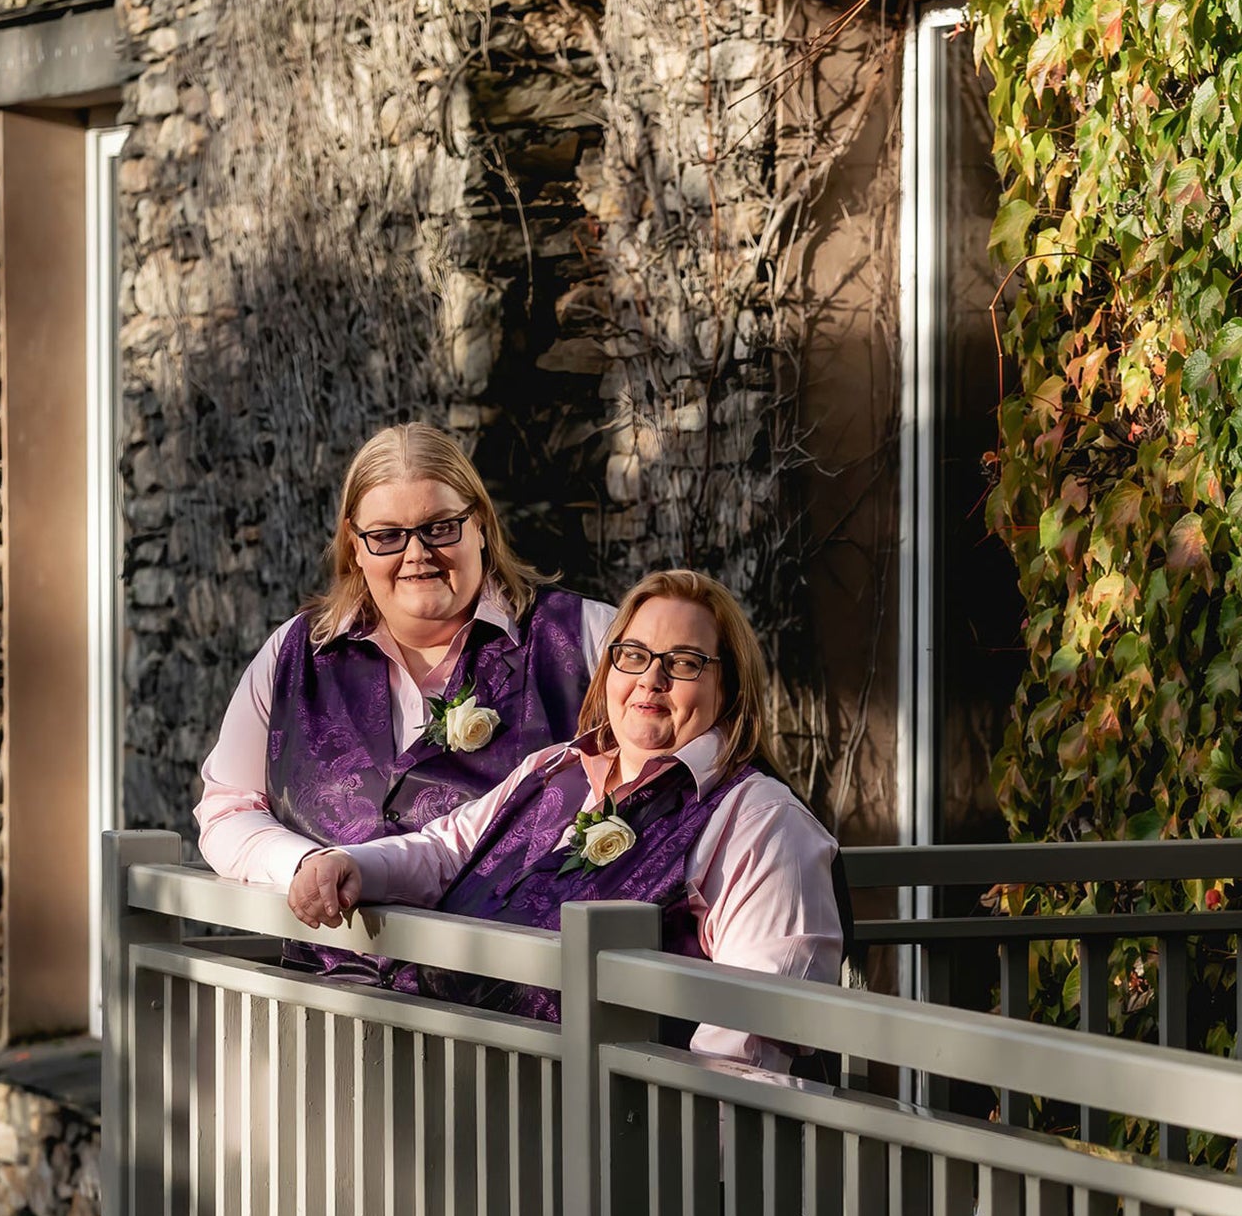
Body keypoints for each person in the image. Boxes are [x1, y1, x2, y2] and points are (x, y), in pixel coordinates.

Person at [286, 569, 846, 1067]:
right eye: (633, 655)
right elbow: (446, 852)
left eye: (684, 662)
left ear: (729, 688)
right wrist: (352, 864)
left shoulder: (761, 821)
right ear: (609, 670)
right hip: (468, 1116)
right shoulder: (554, 768)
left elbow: (746, 1040)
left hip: (615, 1147)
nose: (652, 679)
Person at [195, 424, 615, 890]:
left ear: (479, 526)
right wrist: (306, 864)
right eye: (387, 535)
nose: (417, 553)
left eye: (440, 527)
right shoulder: (294, 653)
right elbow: (228, 809)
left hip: (511, 961)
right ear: (355, 546)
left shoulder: (589, 638)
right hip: (324, 962)